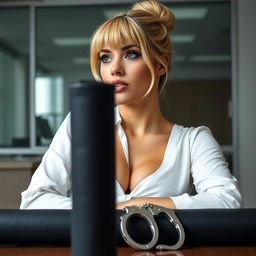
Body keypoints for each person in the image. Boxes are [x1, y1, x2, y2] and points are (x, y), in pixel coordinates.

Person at [20, 0, 242, 209]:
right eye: (105, 58)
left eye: (131, 54)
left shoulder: (193, 141)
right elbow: (35, 199)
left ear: (160, 65)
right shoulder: (82, 124)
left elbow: (226, 200)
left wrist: (134, 205)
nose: (114, 68)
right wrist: (111, 211)